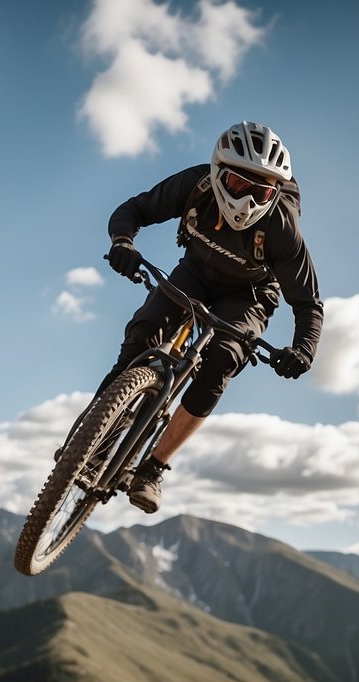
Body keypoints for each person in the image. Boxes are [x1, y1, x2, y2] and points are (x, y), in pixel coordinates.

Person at [99, 120, 322, 513]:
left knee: (221, 359)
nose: (250, 200)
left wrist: (302, 351)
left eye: (263, 190)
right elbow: (135, 209)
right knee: (142, 335)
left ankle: (152, 469)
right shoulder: (196, 186)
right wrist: (122, 242)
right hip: (196, 272)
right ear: (219, 172)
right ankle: (97, 440)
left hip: (250, 295)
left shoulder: (282, 228)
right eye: (240, 185)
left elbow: (307, 304)